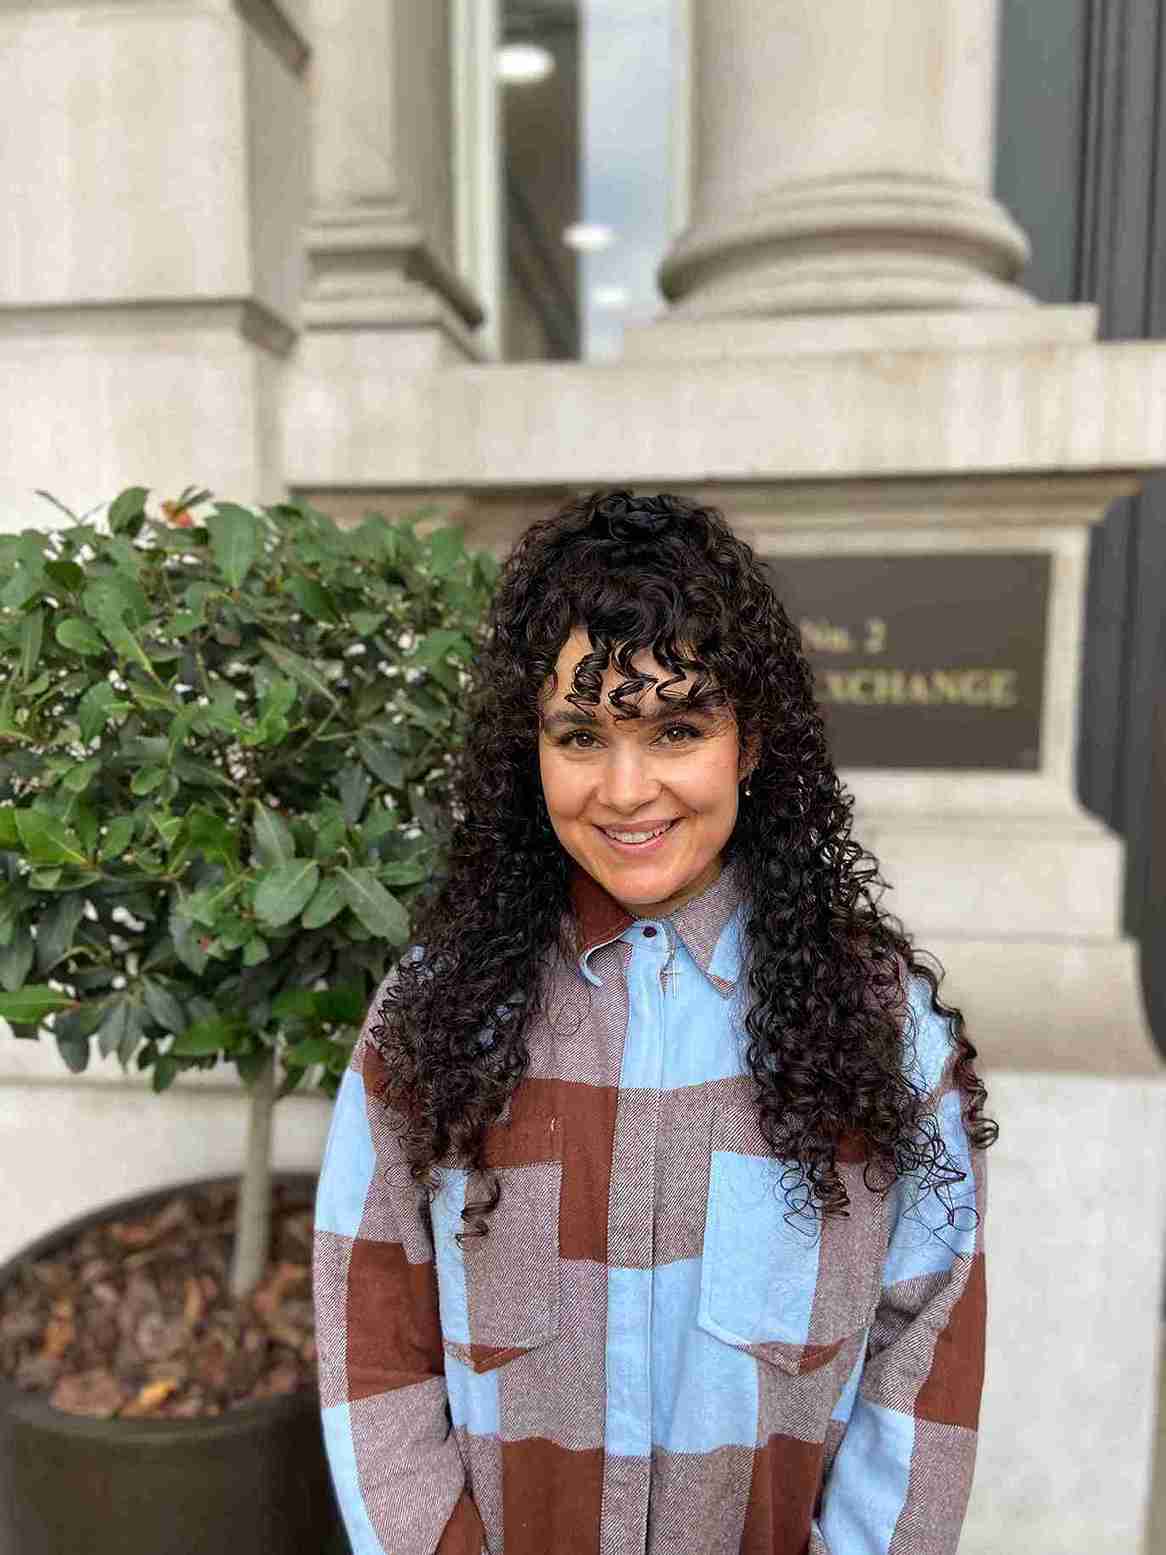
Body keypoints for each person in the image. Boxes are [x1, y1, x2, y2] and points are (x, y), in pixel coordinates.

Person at [312, 490, 996, 1555]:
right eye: (580, 733)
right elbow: (372, 1342)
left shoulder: (880, 1034)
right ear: (526, 751)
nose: (627, 791)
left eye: (675, 728)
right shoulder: (433, 1019)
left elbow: (924, 1358)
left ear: (748, 742)